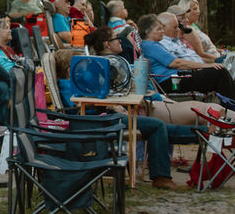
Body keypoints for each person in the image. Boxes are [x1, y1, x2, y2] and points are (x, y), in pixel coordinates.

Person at [52, 43, 187, 190]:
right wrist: (109, 104)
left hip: (100, 118)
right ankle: (163, 174)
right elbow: (81, 104)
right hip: (96, 122)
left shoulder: (74, 83)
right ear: (70, 69)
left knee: (159, 128)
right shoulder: (69, 84)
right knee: (157, 126)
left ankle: (199, 133)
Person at [84, 27, 220, 127]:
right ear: (108, 44)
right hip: (148, 108)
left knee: (209, 110)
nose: (121, 41)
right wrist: (116, 105)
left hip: (156, 102)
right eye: (117, 38)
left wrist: (163, 98)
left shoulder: (120, 63)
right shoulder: (109, 68)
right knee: (208, 111)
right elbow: (106, 96)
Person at [139, 13, 235, 102]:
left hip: (177, 78)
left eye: (162, 28)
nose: (162, 31)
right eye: (159, 29)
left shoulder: (154, 44)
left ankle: (231, 108)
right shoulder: (150, 46)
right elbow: (176, 63)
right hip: (171, 83)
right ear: (148, 32)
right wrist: (207, 66)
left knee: (218, 72)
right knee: (219, 72)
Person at [176, 0, 235, 81]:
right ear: (187, 11)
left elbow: (205, 46)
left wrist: (220, 50)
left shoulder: (194, 26)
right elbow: (200, 53)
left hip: (217, 55)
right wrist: (220, 58)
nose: (198, 12)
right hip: (214, 60)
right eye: (195, 9)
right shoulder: (188, 30)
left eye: (198, 8)